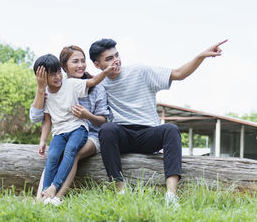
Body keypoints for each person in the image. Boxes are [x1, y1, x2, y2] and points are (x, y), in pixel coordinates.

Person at [89, 38, 227, 206]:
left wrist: (202, 56)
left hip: (148, 134)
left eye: (116, 55)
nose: (115, 61)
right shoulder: (98, 83)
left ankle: (171, 195)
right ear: (98, 65)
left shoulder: (140, 70)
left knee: (170, 129)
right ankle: (121, 191)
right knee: (107, 129)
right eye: (109, 59)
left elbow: (178, 74)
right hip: (122, 135)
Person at [31, 46, 112, 205]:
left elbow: (104, 121)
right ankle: (41, 198)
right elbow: (38, 118)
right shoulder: (49, 90)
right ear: (64, 65)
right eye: (75, 61)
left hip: (91, 135)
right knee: (53, 155)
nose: (81, 65)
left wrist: (87, 115)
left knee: (72, 152)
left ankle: (56, 196)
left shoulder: (85, 87)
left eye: (83, 61)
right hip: (62, 132)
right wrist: (40, 90)